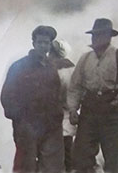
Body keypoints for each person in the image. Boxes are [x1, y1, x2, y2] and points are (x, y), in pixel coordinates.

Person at [68, 18, 118, 173]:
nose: (96, 38)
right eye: (94, 35)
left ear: (109, 36)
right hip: (90, 109)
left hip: (114, 110)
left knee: (115, 159)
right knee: (81, 156)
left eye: (101, 34)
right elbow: (75, 86)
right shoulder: (85, 59)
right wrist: (73, 109)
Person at [0, 25, 64, 173]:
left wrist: (56, 117)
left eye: (46, 43)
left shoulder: (51, 68)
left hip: (49, 126)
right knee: (26, 166)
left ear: (50, 45)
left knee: (50, 167)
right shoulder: (19, 66)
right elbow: (7, 95)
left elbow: (57, 94)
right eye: (40, 42)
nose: (43, 46)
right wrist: (20, 118)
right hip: (27, 126)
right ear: (33, 43)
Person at [50, 38, 76, 172]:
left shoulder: (53, 70)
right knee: (68, 153)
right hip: (70, 115)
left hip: (55, 117)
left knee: (56, 156)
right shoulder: (74, 69)